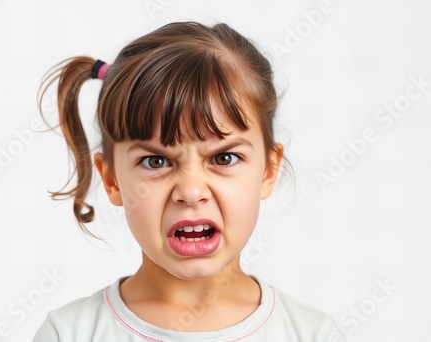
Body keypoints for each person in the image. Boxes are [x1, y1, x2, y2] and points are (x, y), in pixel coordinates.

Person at [33, 21, 345, 342]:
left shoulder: (313, 335)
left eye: (224, 158)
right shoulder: (69, 334)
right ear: (112, 180)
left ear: (268, 170)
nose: (191, 191)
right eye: (156, 162)